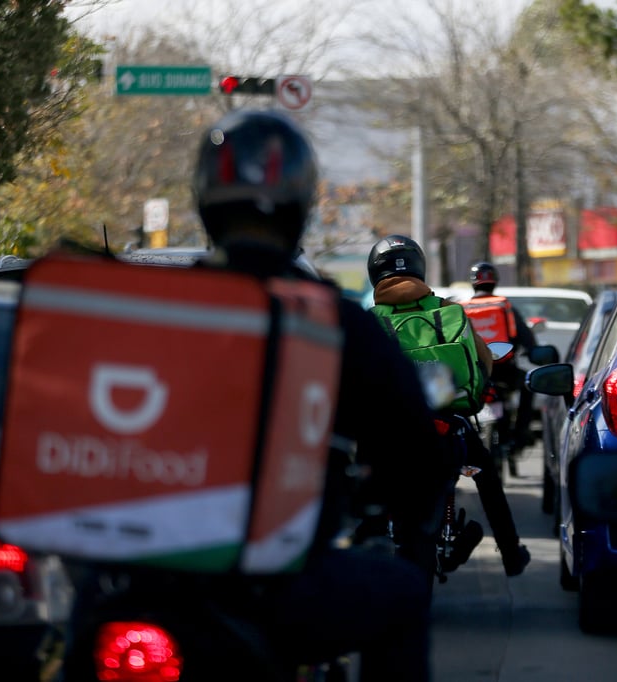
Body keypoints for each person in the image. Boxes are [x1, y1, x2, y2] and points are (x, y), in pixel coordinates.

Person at [63, 109, 453, 682]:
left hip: (142, 580)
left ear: (206, 203)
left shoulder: (150, 311)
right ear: (300, 206)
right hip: (276, 588)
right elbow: (417, 460)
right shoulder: (334, 322)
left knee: (80, 635)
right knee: (403, 596)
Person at [367, 235, 531, 577]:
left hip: (389, 429)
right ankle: (511, 554)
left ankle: (363, 539)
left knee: (359, 480)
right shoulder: (449, 311)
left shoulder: (368, 322)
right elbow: (483, 361)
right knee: (486, 477)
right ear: (419, 267)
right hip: (446, 421)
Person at [469, 261, 539, 452]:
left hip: (475, 374)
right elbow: (526, 338)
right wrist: (532, 351)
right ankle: (521, 435)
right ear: (495, 282)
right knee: (529, 385)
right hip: (505, 372)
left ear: (473, 283)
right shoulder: (505, 306)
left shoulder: (461, 308)